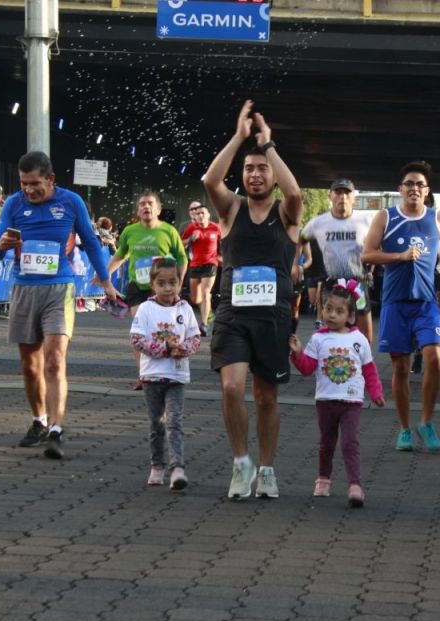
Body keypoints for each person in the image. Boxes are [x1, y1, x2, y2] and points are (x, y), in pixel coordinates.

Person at [203, 100, 303, 500]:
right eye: (249, 168)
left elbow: (295, 189)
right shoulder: (231, 209)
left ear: (272, 176)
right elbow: (212, 180)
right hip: (232, 314)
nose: (255, 174)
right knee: (232, 388)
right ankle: (240, 463)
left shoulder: (287, 212)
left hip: (274, 317)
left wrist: (269, 145)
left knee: (265, 396)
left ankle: (266, 469)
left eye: (262, 168)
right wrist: (240, 138)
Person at [0, 151, 118, 459]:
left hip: (59, 288)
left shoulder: (71, 202)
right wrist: (2, 246)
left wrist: (106, 280)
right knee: (30, 366)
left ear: (51, 179)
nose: (29, 190)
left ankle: (57, 428)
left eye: (35, 184)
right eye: (23, 184)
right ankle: (39, 420)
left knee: (55, 361)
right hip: (24, 289)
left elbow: (90, 241)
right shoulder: (13, 204)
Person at [362, 160, 440, 453]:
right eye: (409, 184)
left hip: (426, 303)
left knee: (434, 358)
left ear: (427, 191)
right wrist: (400, 256)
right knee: (400, 368)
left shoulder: (438, 218)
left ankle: (426, 421)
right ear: (401, 189)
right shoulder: (385, 217)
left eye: (420, 185)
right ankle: (404, 429)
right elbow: (368, 254)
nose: (415, 189)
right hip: (395, 302)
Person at [288, 280, 385, 507]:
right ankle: (323, 479)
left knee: (350, 442)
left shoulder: (359, 339)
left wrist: (376, 391)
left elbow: (369, 369)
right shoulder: (318, 338)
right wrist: (297, 354)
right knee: (326, 444)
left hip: (351, 401)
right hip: (325, 400)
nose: (332, 315)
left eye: (339, 311)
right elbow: (307, 369)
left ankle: (355, 485)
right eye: (328, 309)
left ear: (350, 315)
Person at [129, 257, 201, 490]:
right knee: (156, 423)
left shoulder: (185, 309)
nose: (168, 288)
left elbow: (195, 337)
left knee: (175, 421)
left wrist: (184, 349)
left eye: (172, 282)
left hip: (177, 376)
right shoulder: (146, 309)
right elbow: (137, 339)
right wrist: (164, 348)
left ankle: (177, 467)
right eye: (162, 283)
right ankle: (157, 465)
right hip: (152, 376)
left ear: (180, 283)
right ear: (153, 284)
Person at [108, 192, 188, 389]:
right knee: (139, 330)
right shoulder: (129, 231)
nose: (146, 207)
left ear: (158, 209)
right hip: (137, 287)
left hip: (162, 290)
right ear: (137, 210)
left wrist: (177, 283)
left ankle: (163, 371)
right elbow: (120, 255)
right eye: (142, 204)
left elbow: (182, 258)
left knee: (160, 330)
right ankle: (143, 375)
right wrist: (105, 276)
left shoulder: (168, 231)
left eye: (150, 204)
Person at [297, 179, 375, 344]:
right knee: (332, 334)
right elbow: (300, 239)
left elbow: (380, 245)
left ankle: (362, 367)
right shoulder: (318, 223)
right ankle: (332, 365)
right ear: (330, 196)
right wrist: (298, 262)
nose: (343, 197)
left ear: (353, 197)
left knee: (365, 336)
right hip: (333, 283)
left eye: (347, 192)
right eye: (338, 192)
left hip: (358, 283)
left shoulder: (366, 221)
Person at [181, 201, 221, 335]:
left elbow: (226, 242)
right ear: (195, 217)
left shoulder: (216, 228)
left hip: (210, 264)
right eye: (197, 214)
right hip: (195, 265)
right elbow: (181, 244)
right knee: (195, 298)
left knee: (205, 293)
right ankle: (207, 311)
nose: (200, 215)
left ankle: (204, 324)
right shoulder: (192, 228)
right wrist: (191, 239)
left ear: (208, 215)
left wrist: (222, 256)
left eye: (202, 213)